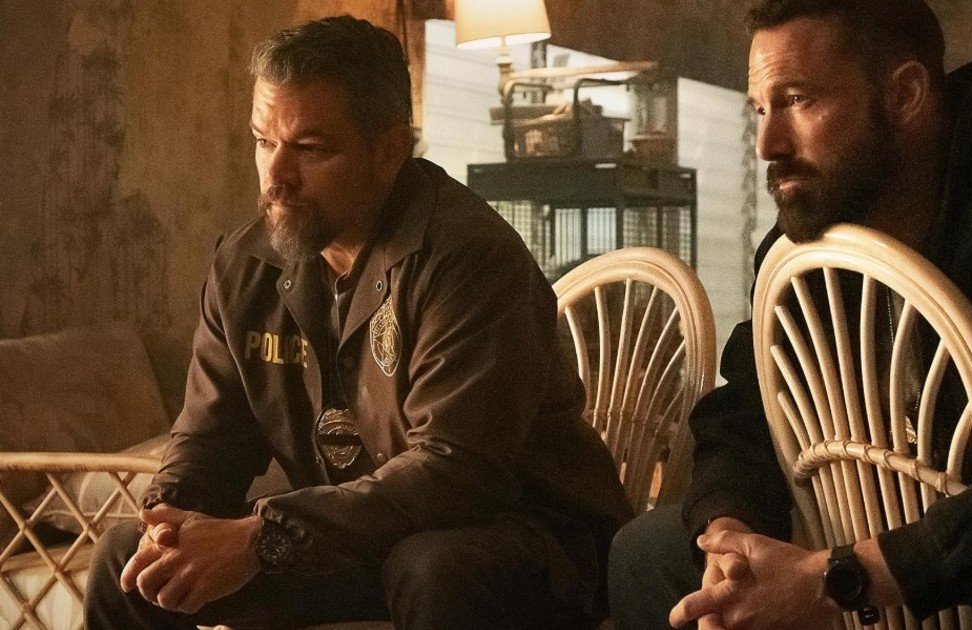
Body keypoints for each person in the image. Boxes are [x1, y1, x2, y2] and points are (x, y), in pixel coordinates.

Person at [608, 0, 972, 628]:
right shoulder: (812, 240)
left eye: (800, 100)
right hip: (896, 555)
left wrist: (837, 577)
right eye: (760, 109)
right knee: (648, 552)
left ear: (906, 95)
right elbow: (744, 413)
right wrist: (730, 536)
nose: (767, 144)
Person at [86, 15, 632, 629]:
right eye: (264, 141)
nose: (276, 176)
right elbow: (209, 438)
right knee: (130, 561)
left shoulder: (470, 258)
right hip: (348, 540)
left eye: (310, 149)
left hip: (521, 539)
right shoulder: (245, 264)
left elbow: (455, 472)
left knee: (430, 567)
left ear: (390, 151)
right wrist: (167, 519)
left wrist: (265, 535)